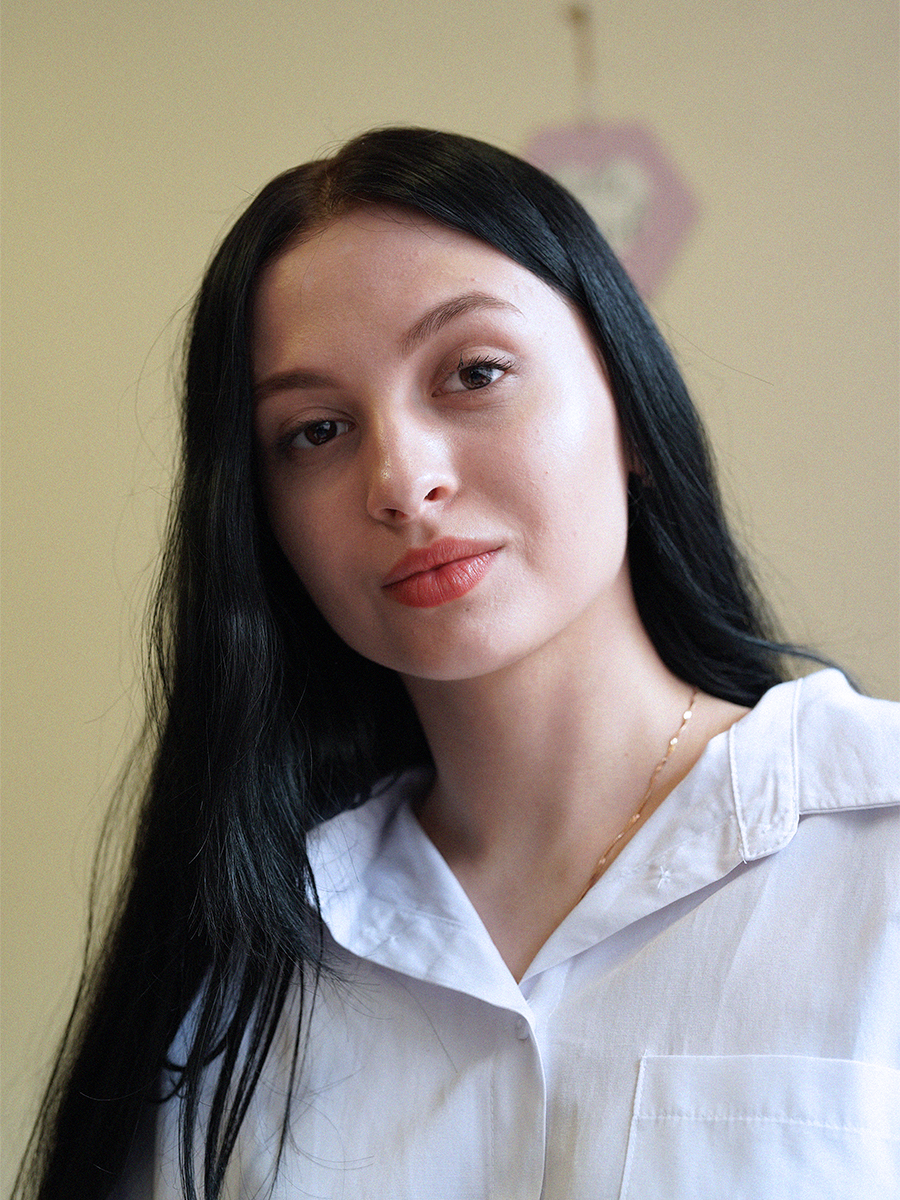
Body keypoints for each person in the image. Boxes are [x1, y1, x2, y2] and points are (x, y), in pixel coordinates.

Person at [17, 127, 899, 1200]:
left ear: (629, 408)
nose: (402, 479)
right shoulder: (244, 968)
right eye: (316, 431)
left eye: (473, 373)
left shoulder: (875, 843)